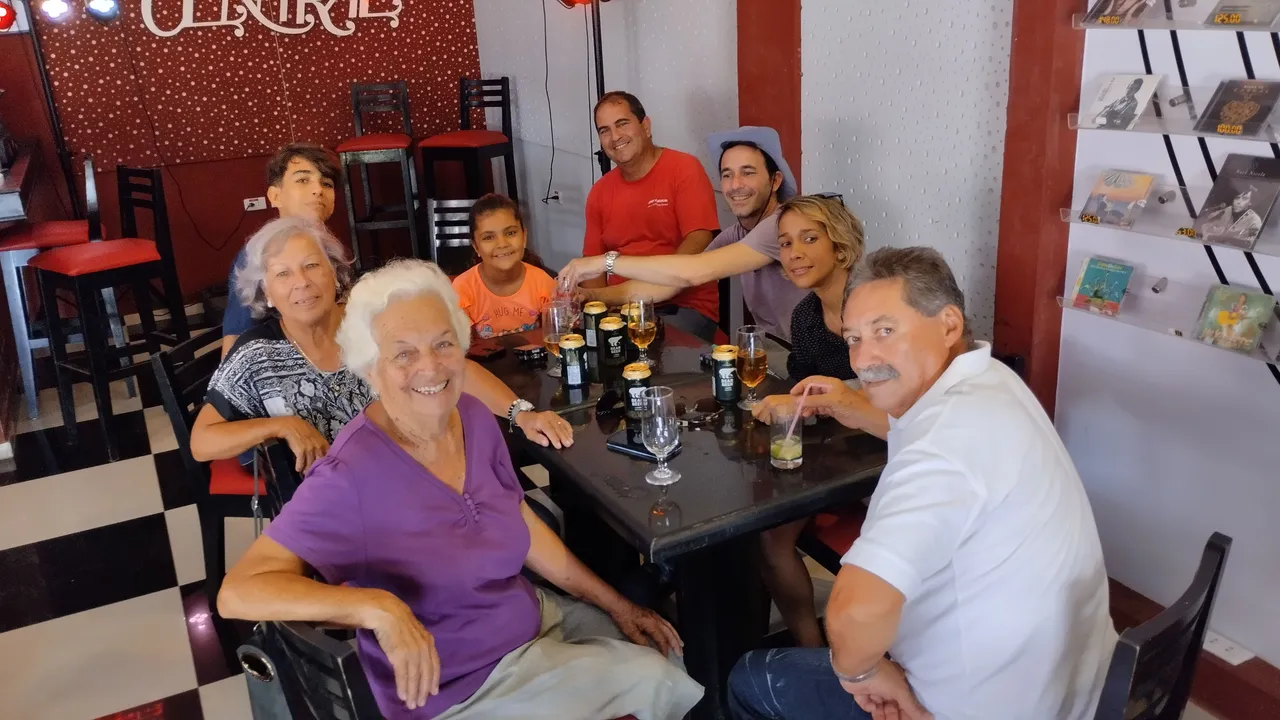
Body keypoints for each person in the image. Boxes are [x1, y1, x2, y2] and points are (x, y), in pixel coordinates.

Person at [217, 259, 703, 719]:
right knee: (654, 678)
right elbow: (239, 592)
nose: (430, 367)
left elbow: (518, 521)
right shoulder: (351, 475)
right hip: (459, 685)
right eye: (403, 353)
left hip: (528, 621)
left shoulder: (471, 417)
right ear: (370, 369)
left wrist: (614, 603)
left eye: (443, 343)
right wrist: (377, 608)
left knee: (663, 647)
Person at [729, 247, 1116, 720]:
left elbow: (853, 614)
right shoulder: (988, 379)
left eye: (885, 331)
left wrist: (863, 675)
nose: (864, 357)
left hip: (970, 708)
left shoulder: (941, 449)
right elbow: (920, 430)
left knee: (751, 675)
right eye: (853, 338)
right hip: (1072, 691)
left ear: (948, 324)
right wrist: (851, 407)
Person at [191, 218, 573, 473]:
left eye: (312, 266)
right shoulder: (257, 353)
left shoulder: (369, 319)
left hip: (418, 468)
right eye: (283, 274)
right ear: (267, 293)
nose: (302, 283)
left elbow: (450, 368)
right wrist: (282, 426)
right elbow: (202, 441)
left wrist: (523, 414)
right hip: (337, 505)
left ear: (334, 273)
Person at [558, 126, 809, 340]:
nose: (736, 185)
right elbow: (670, 282)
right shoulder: (737, 233)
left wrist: (605, 262)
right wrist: (591, 296)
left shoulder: (781, 224)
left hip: (820, 362)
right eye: (727, 175)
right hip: (782, 351)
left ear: (775, 181)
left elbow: (692, 272)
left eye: (748, 172)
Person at [581, 91, 722, 341]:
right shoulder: (599, 192)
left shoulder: (684, 169)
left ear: (645, 126)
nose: (615, 137)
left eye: (622, 124)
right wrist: (601, 314)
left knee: (637, 351)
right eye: (604, 131)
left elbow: (692, 253)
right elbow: (593, 271)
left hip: (682, 308)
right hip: (620, 309)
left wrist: (613, 297)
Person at [221, 143, 340, 357]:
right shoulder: (258, 255)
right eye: (303, 180)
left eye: (327, 183)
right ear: (275, 196)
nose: (318, 189)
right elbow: (235, 342)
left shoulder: (329, 248)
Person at [452, 194, 557, 339]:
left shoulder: (543, 283)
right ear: (476, 246)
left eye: (511, 233)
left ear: (524, 237)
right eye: (488, 237)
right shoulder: (462, 290)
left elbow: (556, 335)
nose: (502, 244)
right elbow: (463, 349)